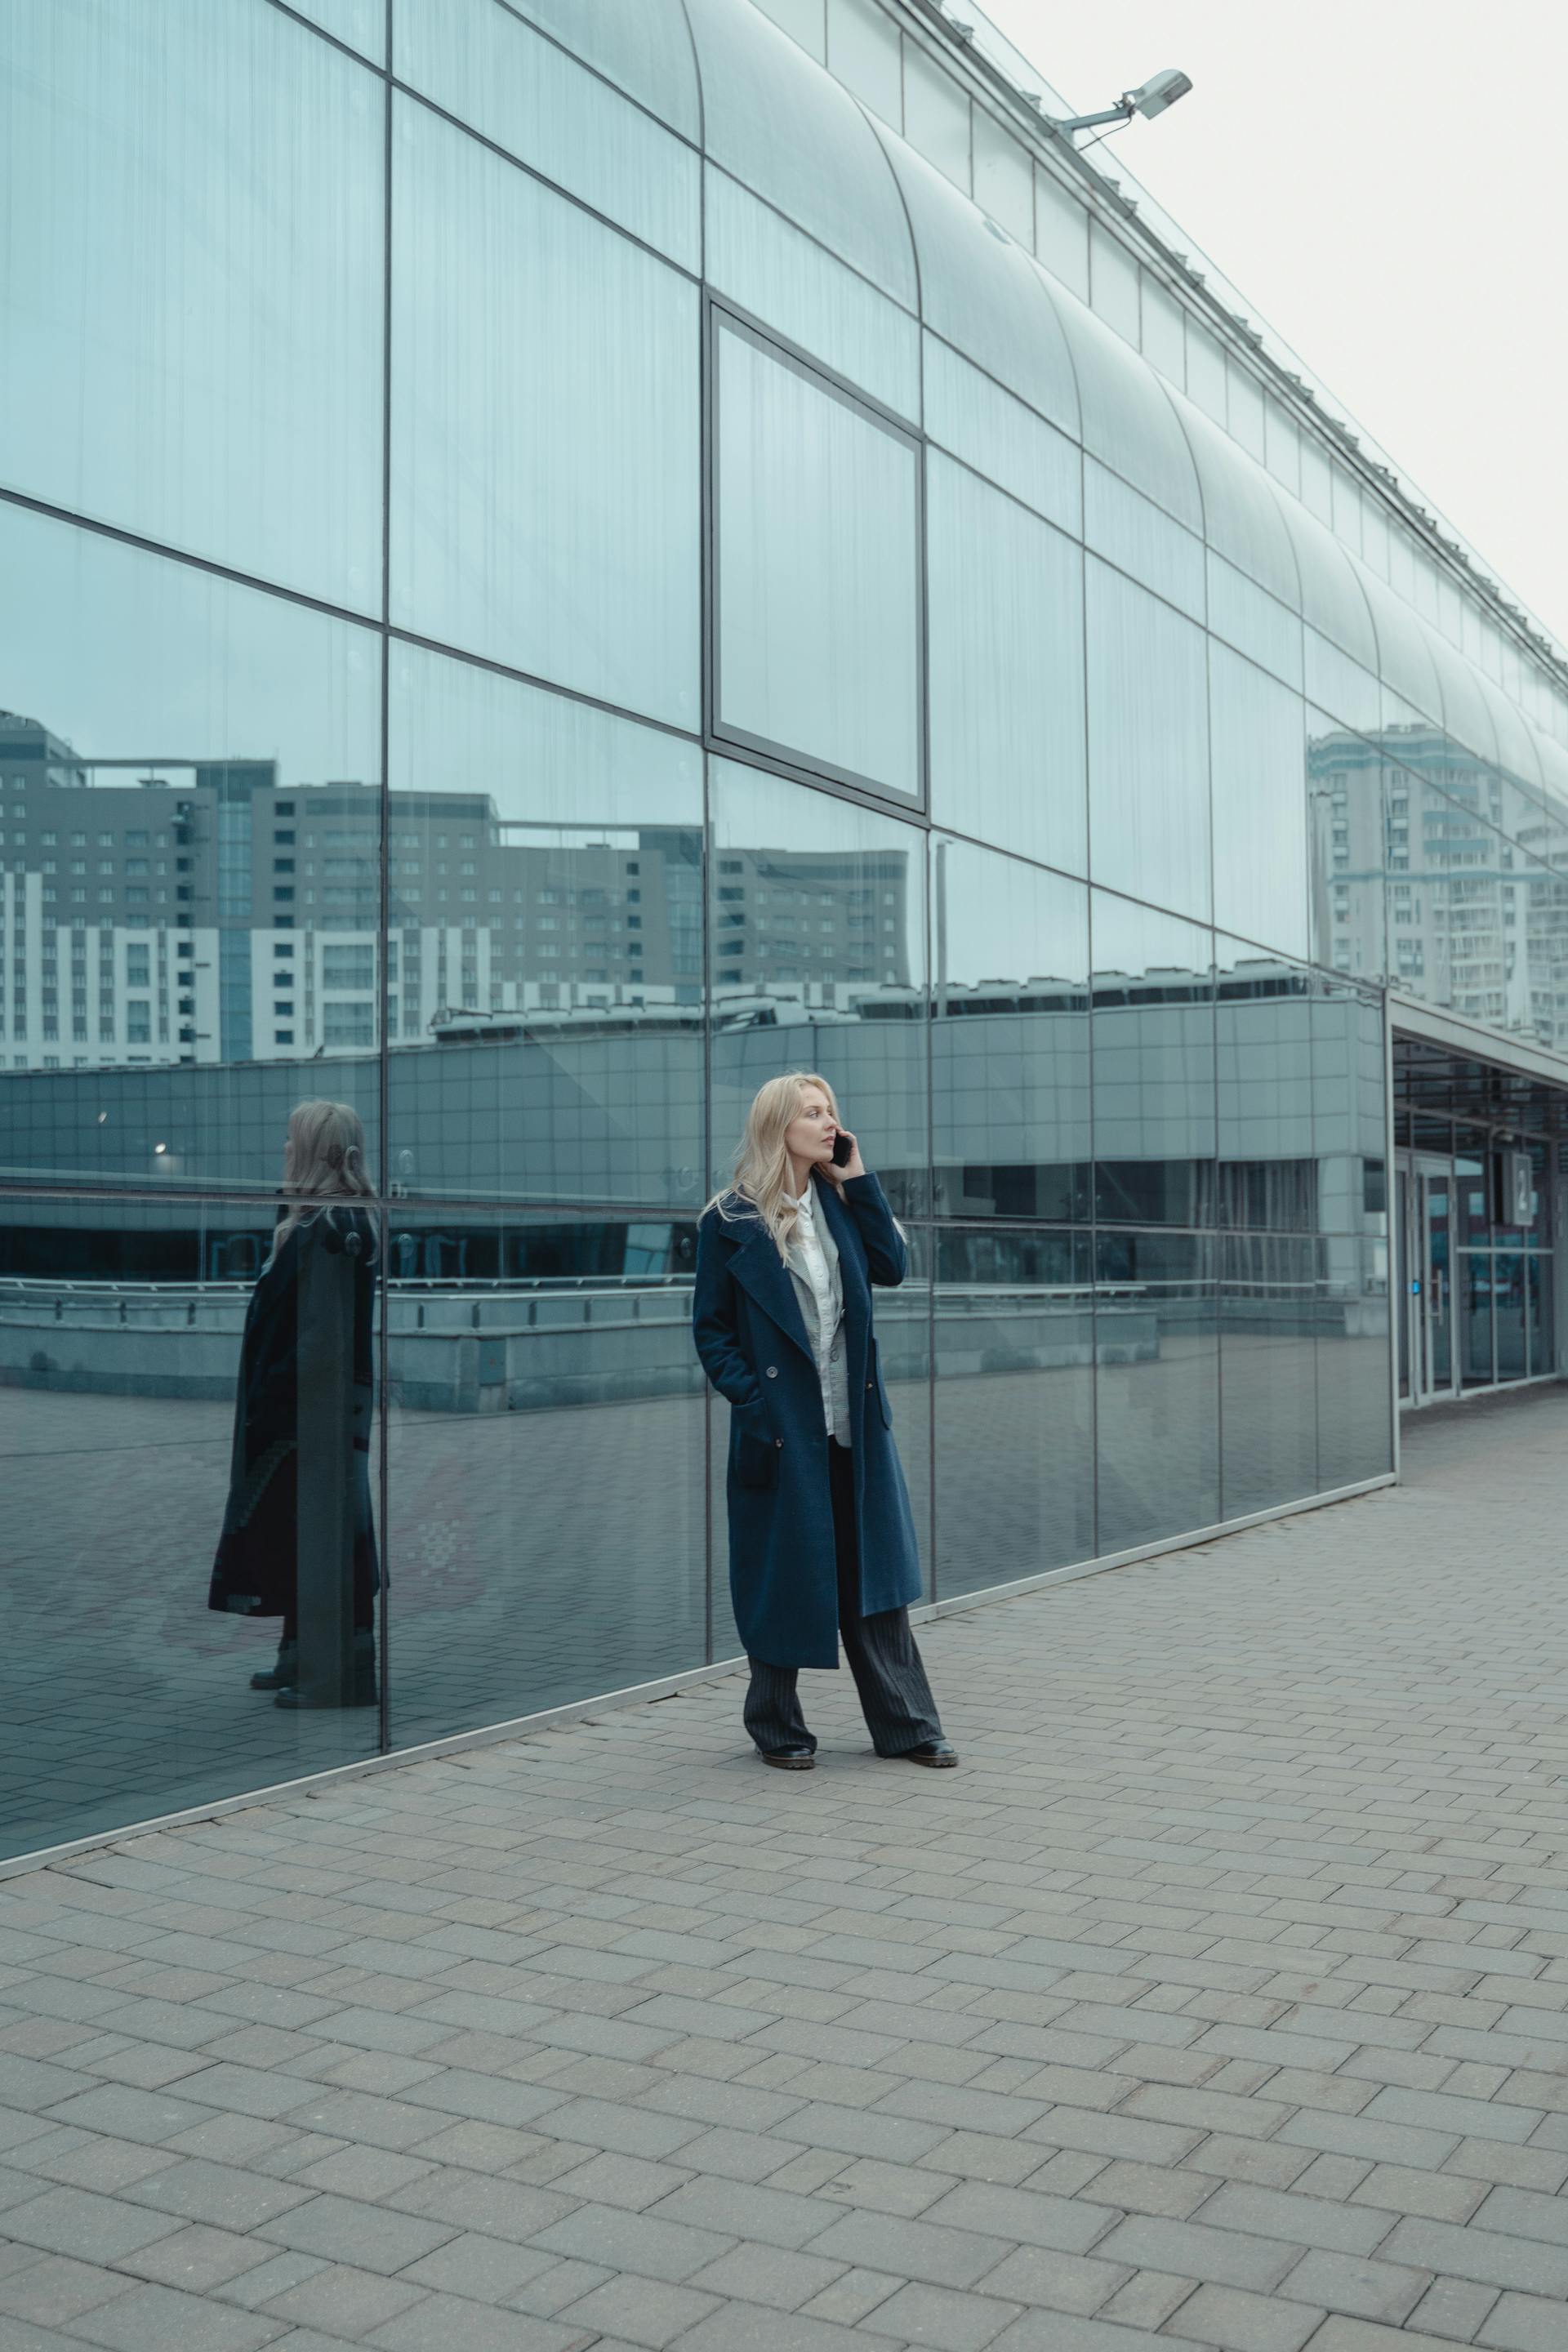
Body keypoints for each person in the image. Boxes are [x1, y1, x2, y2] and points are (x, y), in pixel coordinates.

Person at [693, 1073, 956, 1771]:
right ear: (779, 1125)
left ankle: (907, 1725)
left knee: (874, 1576)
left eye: (831, 1110)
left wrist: (860, 1179)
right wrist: (756, 1405)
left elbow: (893, 1267)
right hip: (781, 1431)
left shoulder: (841, 1204)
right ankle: (777, 1725)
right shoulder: (730, 1220)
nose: (828, 1122)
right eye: (812, 1112)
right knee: (785, 1576)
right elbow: (712, 1332)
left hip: (854, 1425)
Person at [209, 1100, 380, 1708]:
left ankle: (338, 1672)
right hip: (308, 1416)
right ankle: (305, 1655)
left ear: (312, 1151)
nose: (283, 1150)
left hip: (311, 1420)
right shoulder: (322, 1223)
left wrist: (272, 1397)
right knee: (302, 1534)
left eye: (291, 1140)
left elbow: (319, 1343)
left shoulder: (331, 1229)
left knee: (324, 1536)